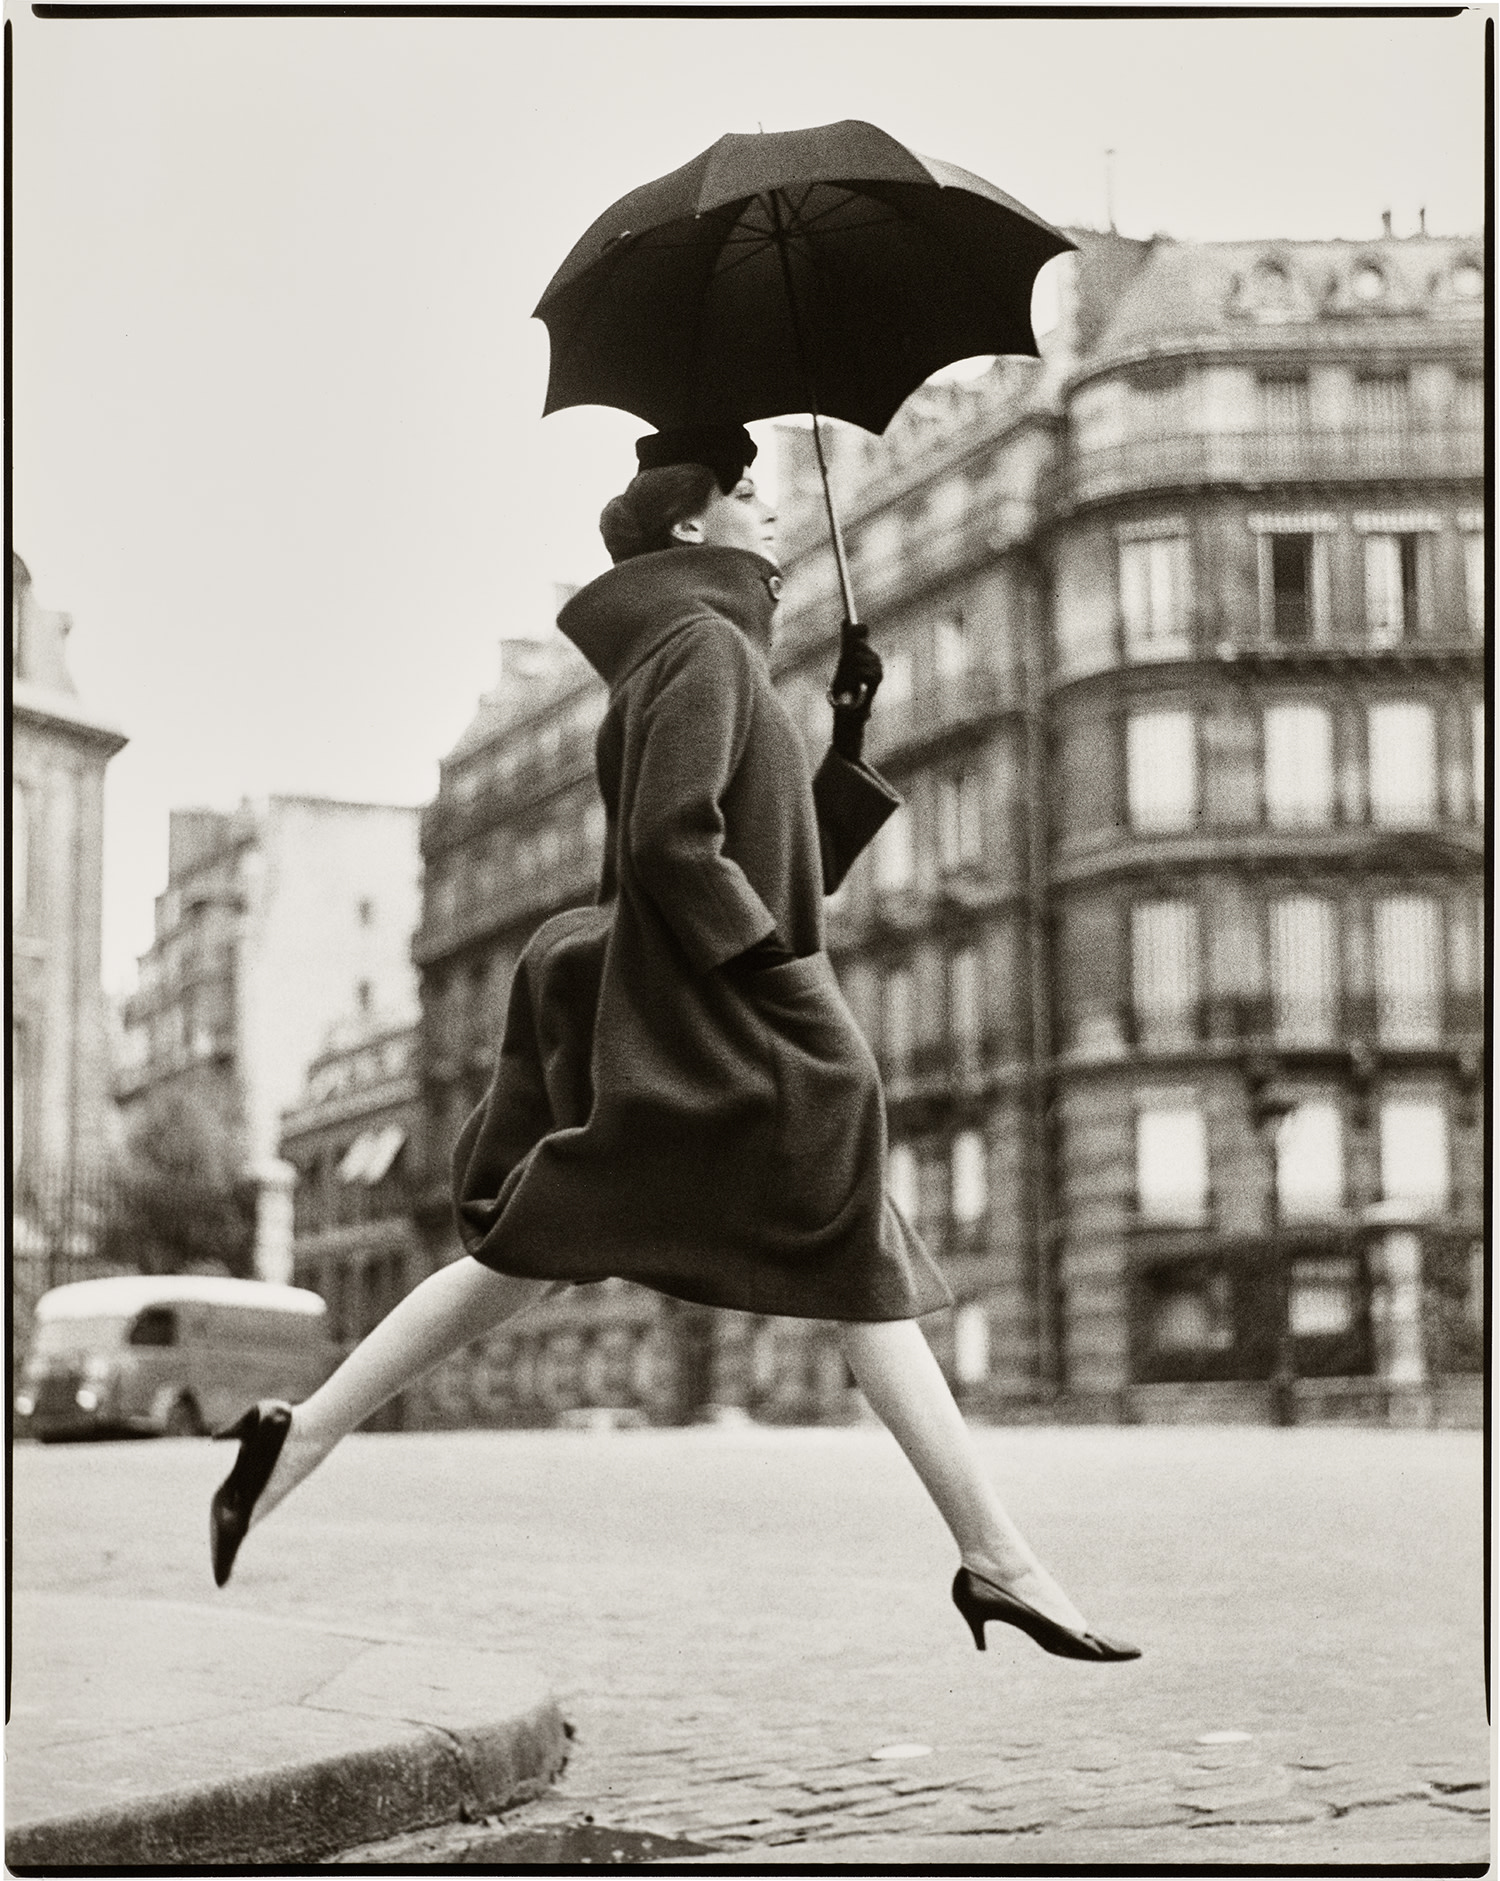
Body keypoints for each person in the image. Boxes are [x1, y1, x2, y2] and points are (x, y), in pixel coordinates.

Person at [211, 423, 1138, 1664]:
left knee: (546, 1250)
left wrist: (847, 741)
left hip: (685, 1027)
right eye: (748, 492)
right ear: (693, 524)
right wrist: (777, 978)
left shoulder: (680, 650)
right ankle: (998, 1558)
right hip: (729, 1025)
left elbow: (771, 859)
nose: (773, 507)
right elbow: (671, 846)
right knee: (843, 1261)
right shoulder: (705, 644)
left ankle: (299, 1437)